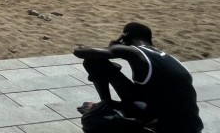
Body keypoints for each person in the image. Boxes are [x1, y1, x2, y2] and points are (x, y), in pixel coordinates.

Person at [73, 22, 202, 133]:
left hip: (166, 127)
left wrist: (114, 45)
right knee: (98, 66)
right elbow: (161, 101)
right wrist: (112, 105)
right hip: (191, 126)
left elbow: (80, 52)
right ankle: (105, 104)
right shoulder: (170, 58)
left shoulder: (135, 52)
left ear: (125, 36)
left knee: (92, 120)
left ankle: (105, 108)